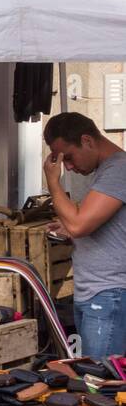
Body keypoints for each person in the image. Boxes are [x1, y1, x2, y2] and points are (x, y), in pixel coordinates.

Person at [42, 112, 126, 357]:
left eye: (68, 157)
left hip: (109, 294)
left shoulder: (118, 170)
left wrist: (53, 182)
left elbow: (80, 225)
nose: (67, 166)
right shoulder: (109, 171)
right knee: (94, 379)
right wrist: (70, 229)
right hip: (98, 294)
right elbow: (95, 227)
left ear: (88, 141)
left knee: (98, 385)